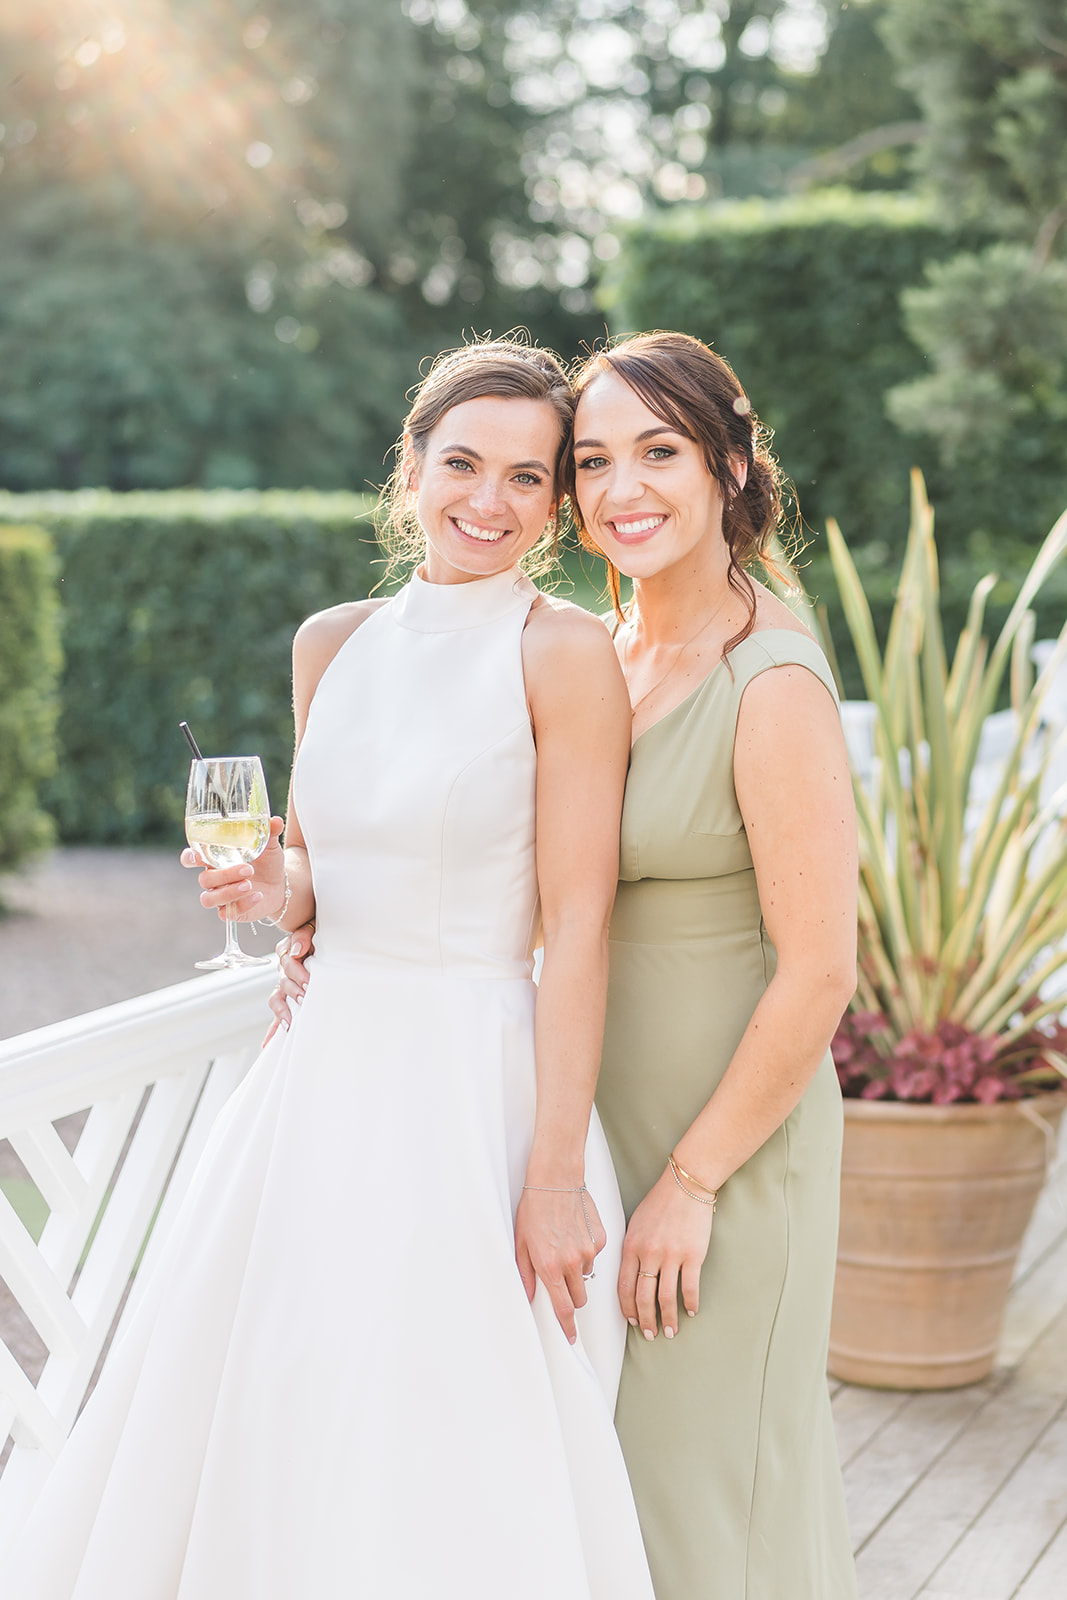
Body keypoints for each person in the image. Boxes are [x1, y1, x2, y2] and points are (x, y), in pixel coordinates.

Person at [2, 341, 655, 1600]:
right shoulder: (330, 642)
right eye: (461, 464)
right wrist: (271, 890)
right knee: (287, 1400)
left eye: (528, 478)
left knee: (451, 1428)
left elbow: (577, 924)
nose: (490, 502)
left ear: (555, 504)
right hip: (317, 1085)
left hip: (476, 1088)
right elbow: (317, 867)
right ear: (408, 470)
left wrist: (554, 1170)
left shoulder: (561, 652)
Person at [271, 330, 859, 1600]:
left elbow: (820, 971)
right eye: (593, 460)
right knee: (613, 1495)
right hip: (594, 1111)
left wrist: (695, 1180)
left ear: (729, 467)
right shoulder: (613, 648)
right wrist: (320, 911)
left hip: (721, 1140)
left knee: (720, 1497)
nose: (620, 488)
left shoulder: (770, 681)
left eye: (658, 452)